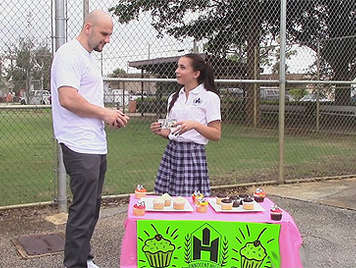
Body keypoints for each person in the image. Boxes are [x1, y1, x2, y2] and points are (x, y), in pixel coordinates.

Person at [51, 10, 129, 268]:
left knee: (92, 208)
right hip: (78, 144)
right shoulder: (69, 54)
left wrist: (107, 117)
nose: (107, 40)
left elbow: (86, 100)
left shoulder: (86, 58)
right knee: (83, 211)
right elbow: (68, 98)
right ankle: (74, 264)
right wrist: (105, 113)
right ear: (88, 28)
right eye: (104, 34)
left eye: (110, 35)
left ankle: (84, 257)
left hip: (95, 143)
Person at [150, 53, 221, 197]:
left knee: (190, 201)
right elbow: (171, 130)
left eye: (182, 67)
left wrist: (195, 125)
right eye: (177, 67)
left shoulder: (210, 97)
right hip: (171, 153)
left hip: (193, 155)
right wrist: (160, 130)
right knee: (166, 199)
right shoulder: (173, 98)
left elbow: (216, 134)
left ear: (196, 73)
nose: (177, 71)